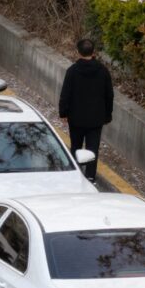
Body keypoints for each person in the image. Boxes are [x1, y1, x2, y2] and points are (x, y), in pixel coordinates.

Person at [58, 37, 113, 182]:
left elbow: (66, 94)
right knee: (92, 148)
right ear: (93, 52)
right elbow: (109, 95)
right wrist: (107, 115)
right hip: (96, 119)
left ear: (78, 52)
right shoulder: (103, 71)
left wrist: (63, 112)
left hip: (76, 118)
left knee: (75, 145)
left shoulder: (72, 71)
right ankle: (90, 176)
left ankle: (75, 174)